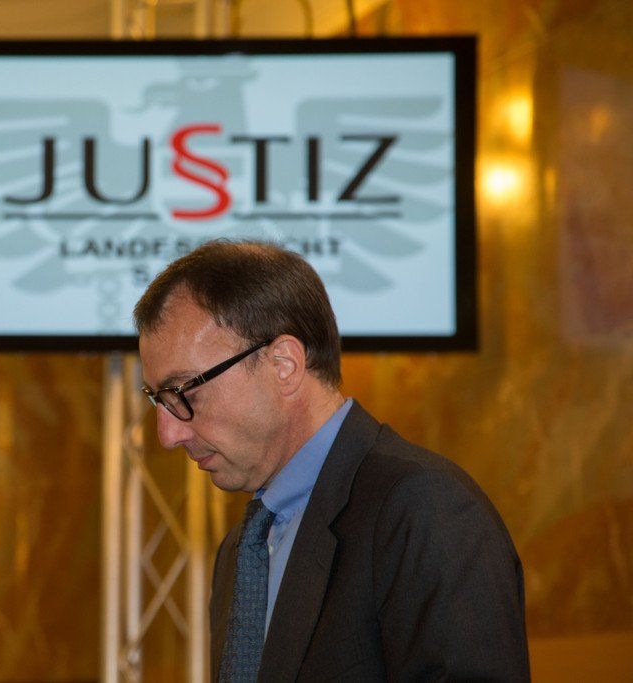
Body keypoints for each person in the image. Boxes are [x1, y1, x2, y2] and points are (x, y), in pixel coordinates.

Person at [134, 240, 529, 682]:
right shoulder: (239, 552)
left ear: (284, 365)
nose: (167, 434)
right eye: (158, 400)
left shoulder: (425, 509)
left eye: (183, 391)